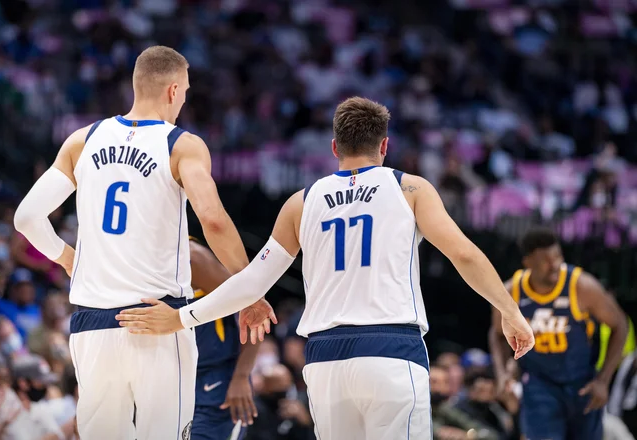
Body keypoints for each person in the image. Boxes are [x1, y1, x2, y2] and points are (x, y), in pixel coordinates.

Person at [117, 96, 535, 439]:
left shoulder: (301, 202)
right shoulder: (409, 187)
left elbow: (251, 282)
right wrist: (510, 312)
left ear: (334, 148)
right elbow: (463, 254)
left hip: (325, 360)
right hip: (390, 348)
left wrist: (180, 318)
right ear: (384, 146)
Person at [12, 45, 273, 440]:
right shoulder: (182, 145)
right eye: (185, 91)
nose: (184, 99)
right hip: (158, 320)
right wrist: (250, 288)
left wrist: (67, 258)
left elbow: (26, 218)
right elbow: (214, 221)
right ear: (172, 90)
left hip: (91, 324)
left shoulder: (83, 140)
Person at [488, 227, 629, 440]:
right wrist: (502, 374)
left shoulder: (582, 286)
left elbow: (620, 325)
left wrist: (603, 380)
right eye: (545, 260)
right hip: (539, 384)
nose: (555, 264)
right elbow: (497, 334)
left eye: (557, 256)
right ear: (528, 263)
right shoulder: (512, 292)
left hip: (582, 384)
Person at [187, 237, 262, 440]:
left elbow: (257, 311)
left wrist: (240, 377)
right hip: (170, 381)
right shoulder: (132, 259)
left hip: (214, 382)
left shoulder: (191, 258)